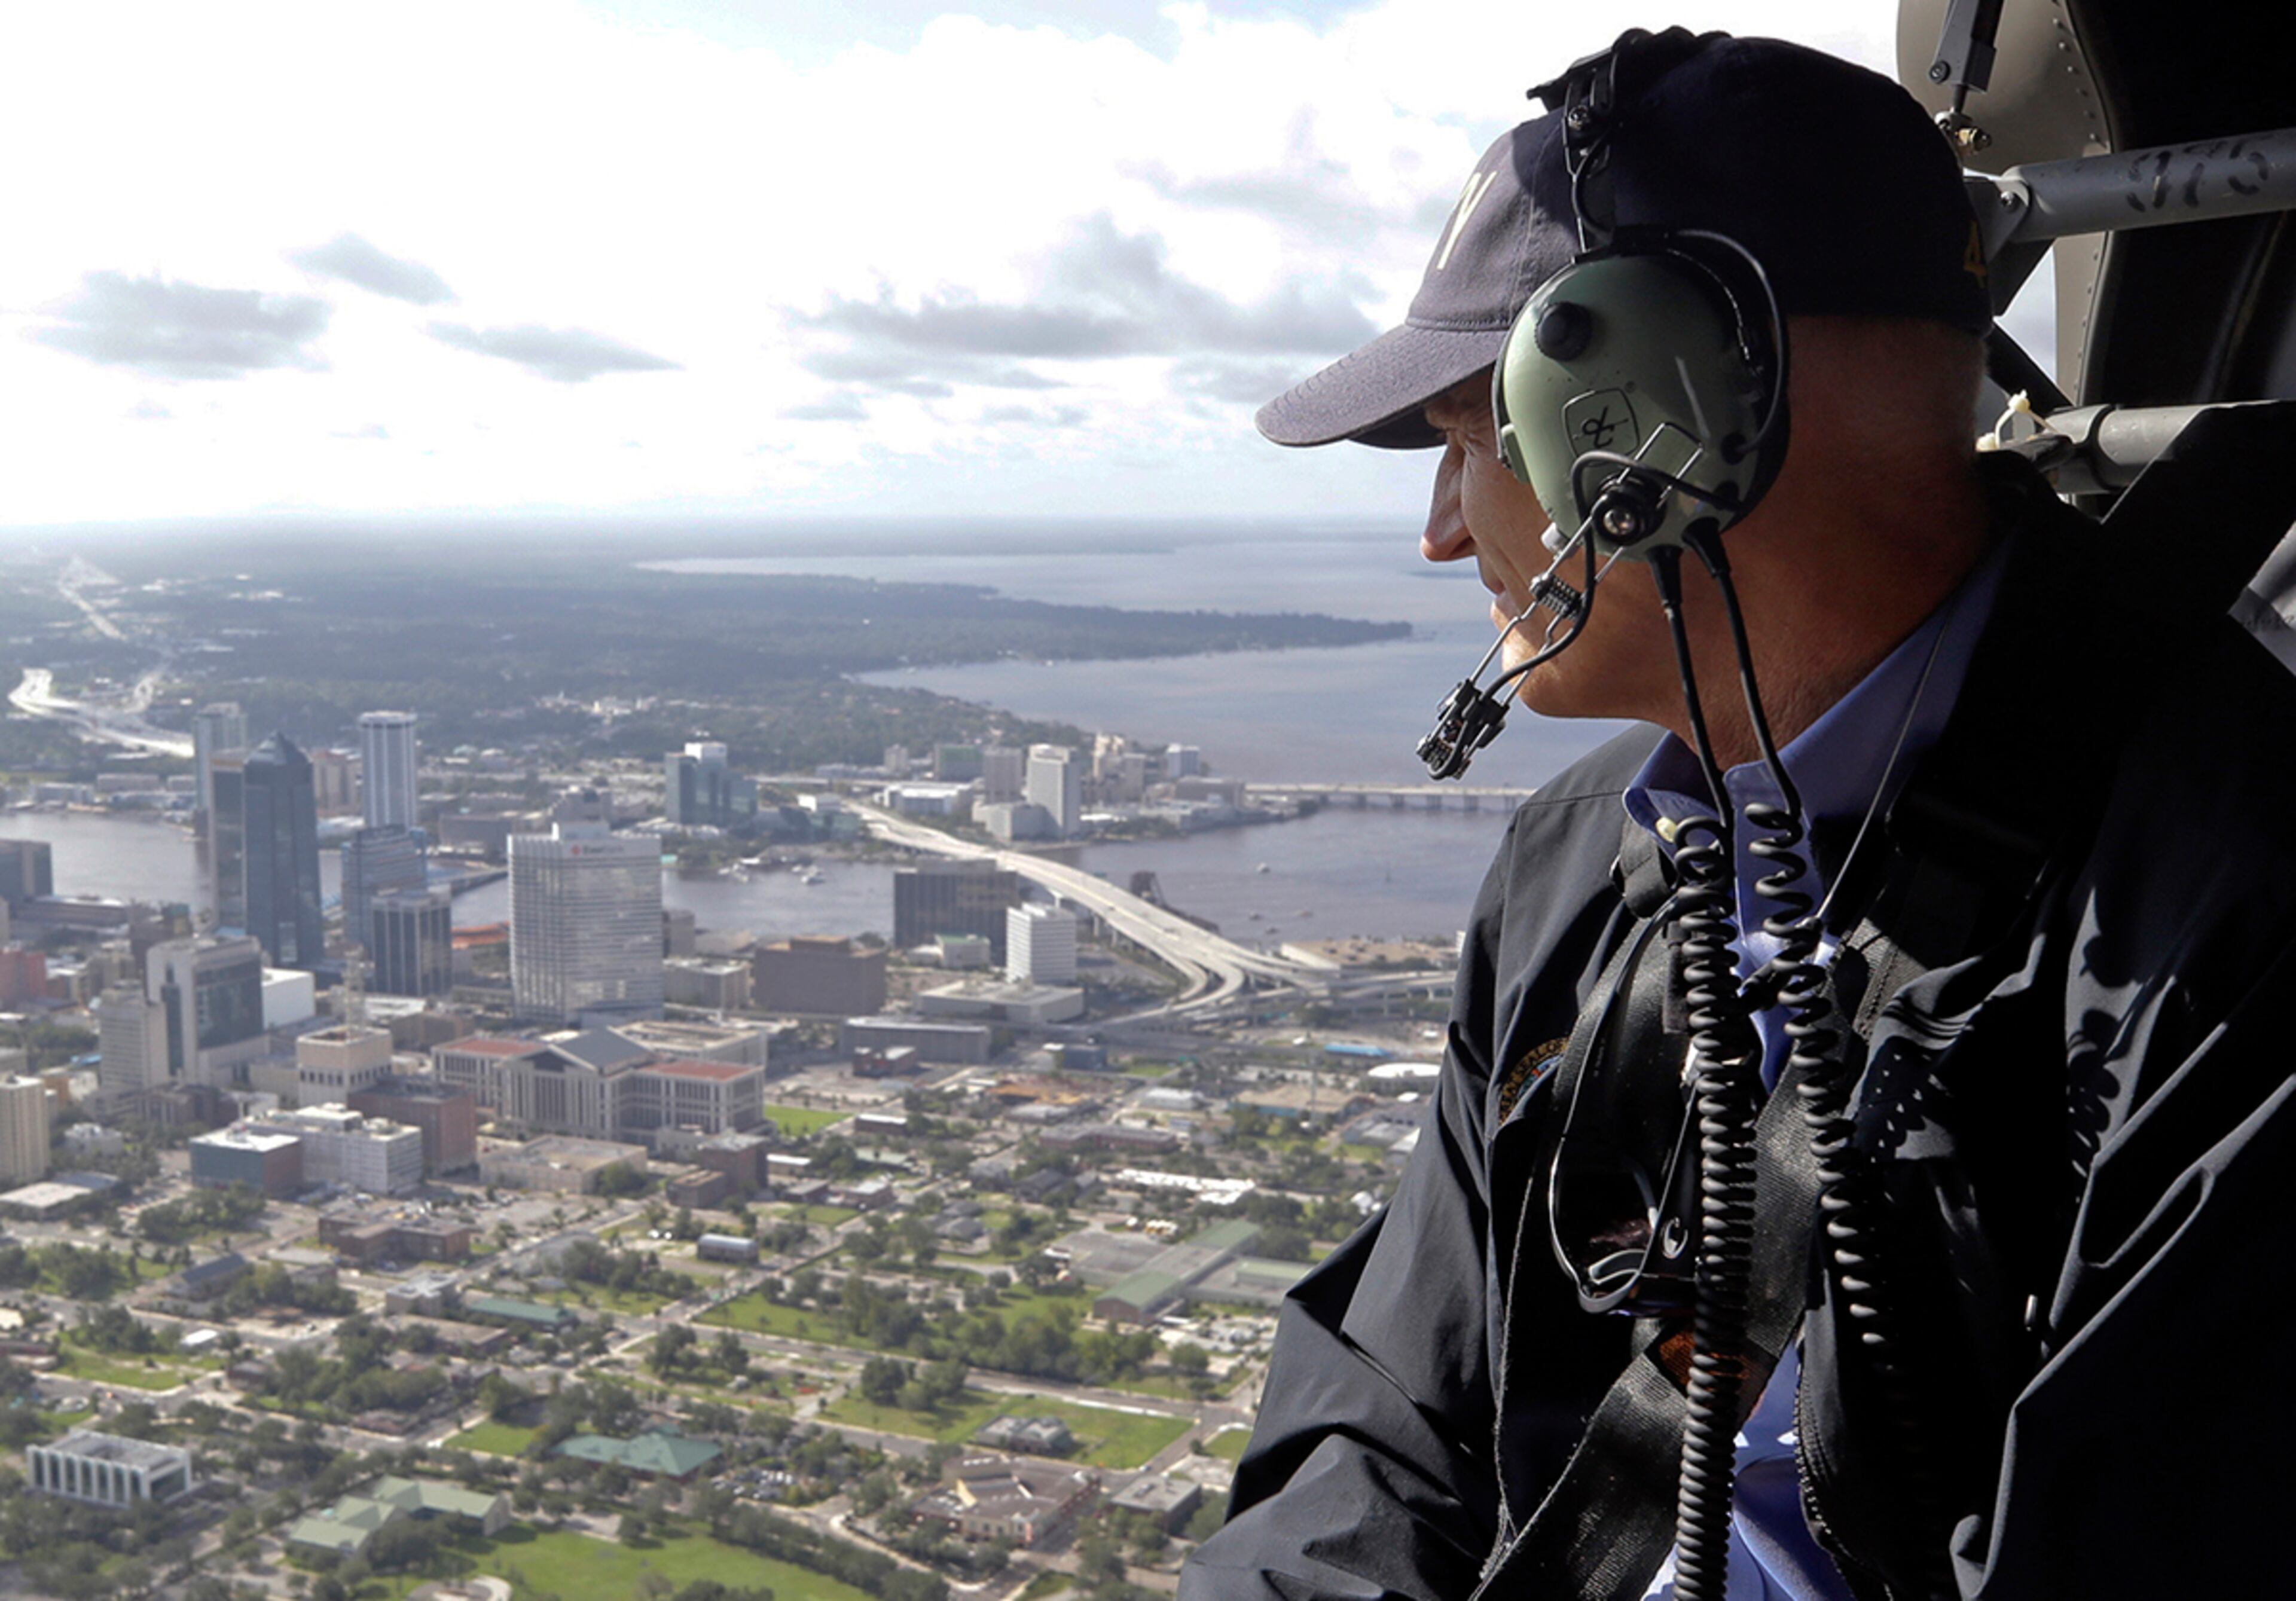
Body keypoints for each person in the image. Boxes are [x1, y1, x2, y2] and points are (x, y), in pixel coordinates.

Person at [1180, 28, 2296, 1601]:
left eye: (1474, 442)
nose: (1441, 537)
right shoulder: (1580, 863)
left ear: (1668, 428)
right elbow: (1386, 1407)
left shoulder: (2231, 908)